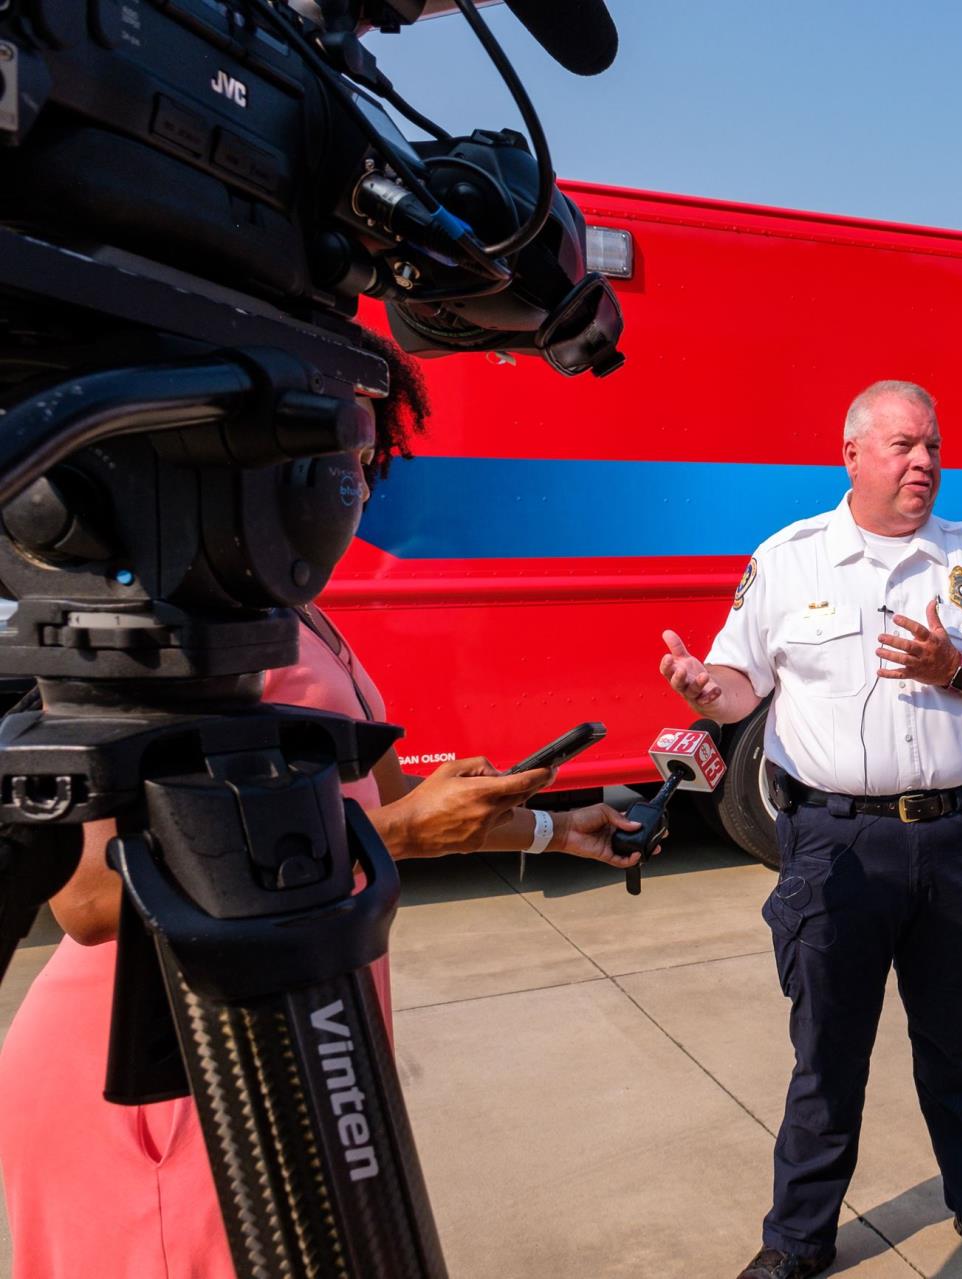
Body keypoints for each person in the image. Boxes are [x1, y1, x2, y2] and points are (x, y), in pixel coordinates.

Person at [0, 336, 644, 1279]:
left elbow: (375, 811)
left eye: (364, 453)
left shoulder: (293, 613)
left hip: (295, 1027)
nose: (350, 482)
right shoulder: (153, 623)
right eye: (325, 451)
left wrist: (551, 830)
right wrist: (399, 829)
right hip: (166, 1065)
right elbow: (89, 902)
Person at [659, 380, 962, 1279]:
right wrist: (700, 687)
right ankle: (798, 1238)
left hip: (955, 840)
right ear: (852, 454)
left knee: (956, 1046)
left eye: (933, 446)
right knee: (827, 1055)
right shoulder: (791, 558)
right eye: (903, 446)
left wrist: (959, 670)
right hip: (836, 848)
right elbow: (738, 683)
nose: (923, 462)